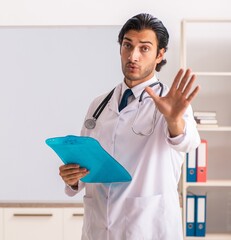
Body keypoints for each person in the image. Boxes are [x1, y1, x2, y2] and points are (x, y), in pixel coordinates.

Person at [59, 13, 200, 240]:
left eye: (144, 48)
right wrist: (73, 177)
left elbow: (188, 142)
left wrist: (174, 119)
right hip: (98, 228)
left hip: (148, 228)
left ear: (160, 54)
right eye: (128, 45)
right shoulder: (99, 104)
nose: (133, 56)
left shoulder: (171, 102)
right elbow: (86, 164)